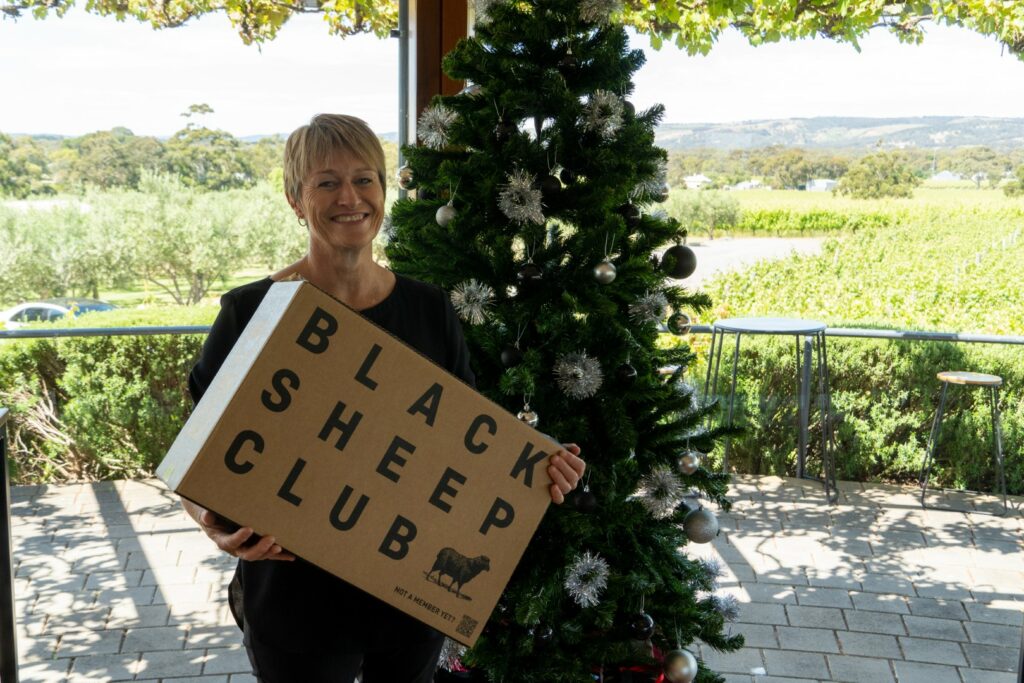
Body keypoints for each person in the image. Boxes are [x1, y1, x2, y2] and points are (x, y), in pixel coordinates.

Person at [180, 113, 586, 683]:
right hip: (296, 599)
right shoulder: (250, 314)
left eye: (365, 179)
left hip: (408, 596)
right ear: (296, 199)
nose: (350, 197)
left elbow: (464, 448)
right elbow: (194, 458)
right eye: (326, 183)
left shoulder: (429, 309)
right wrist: (208, 521)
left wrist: (543, 464)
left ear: (383, 191)